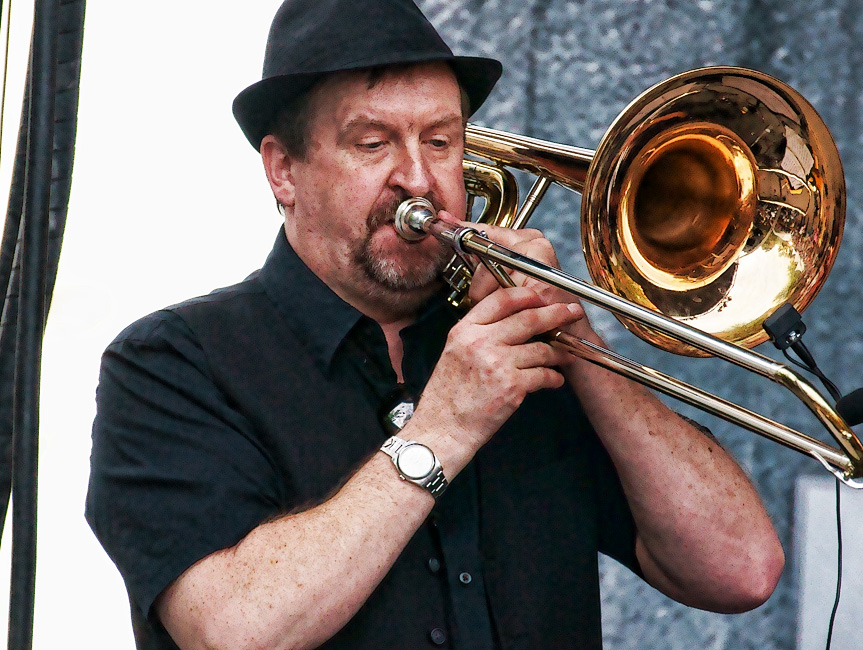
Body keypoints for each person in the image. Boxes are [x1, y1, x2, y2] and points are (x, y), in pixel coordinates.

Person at [85, 1, 784, 649]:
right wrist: (445, 427)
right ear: (283, 171)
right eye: (373, 143)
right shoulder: (172, 363)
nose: (418, 179)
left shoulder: (524, 351)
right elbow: (231, 629)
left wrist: (573, 339)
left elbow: (741, 570)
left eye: (442, 141)